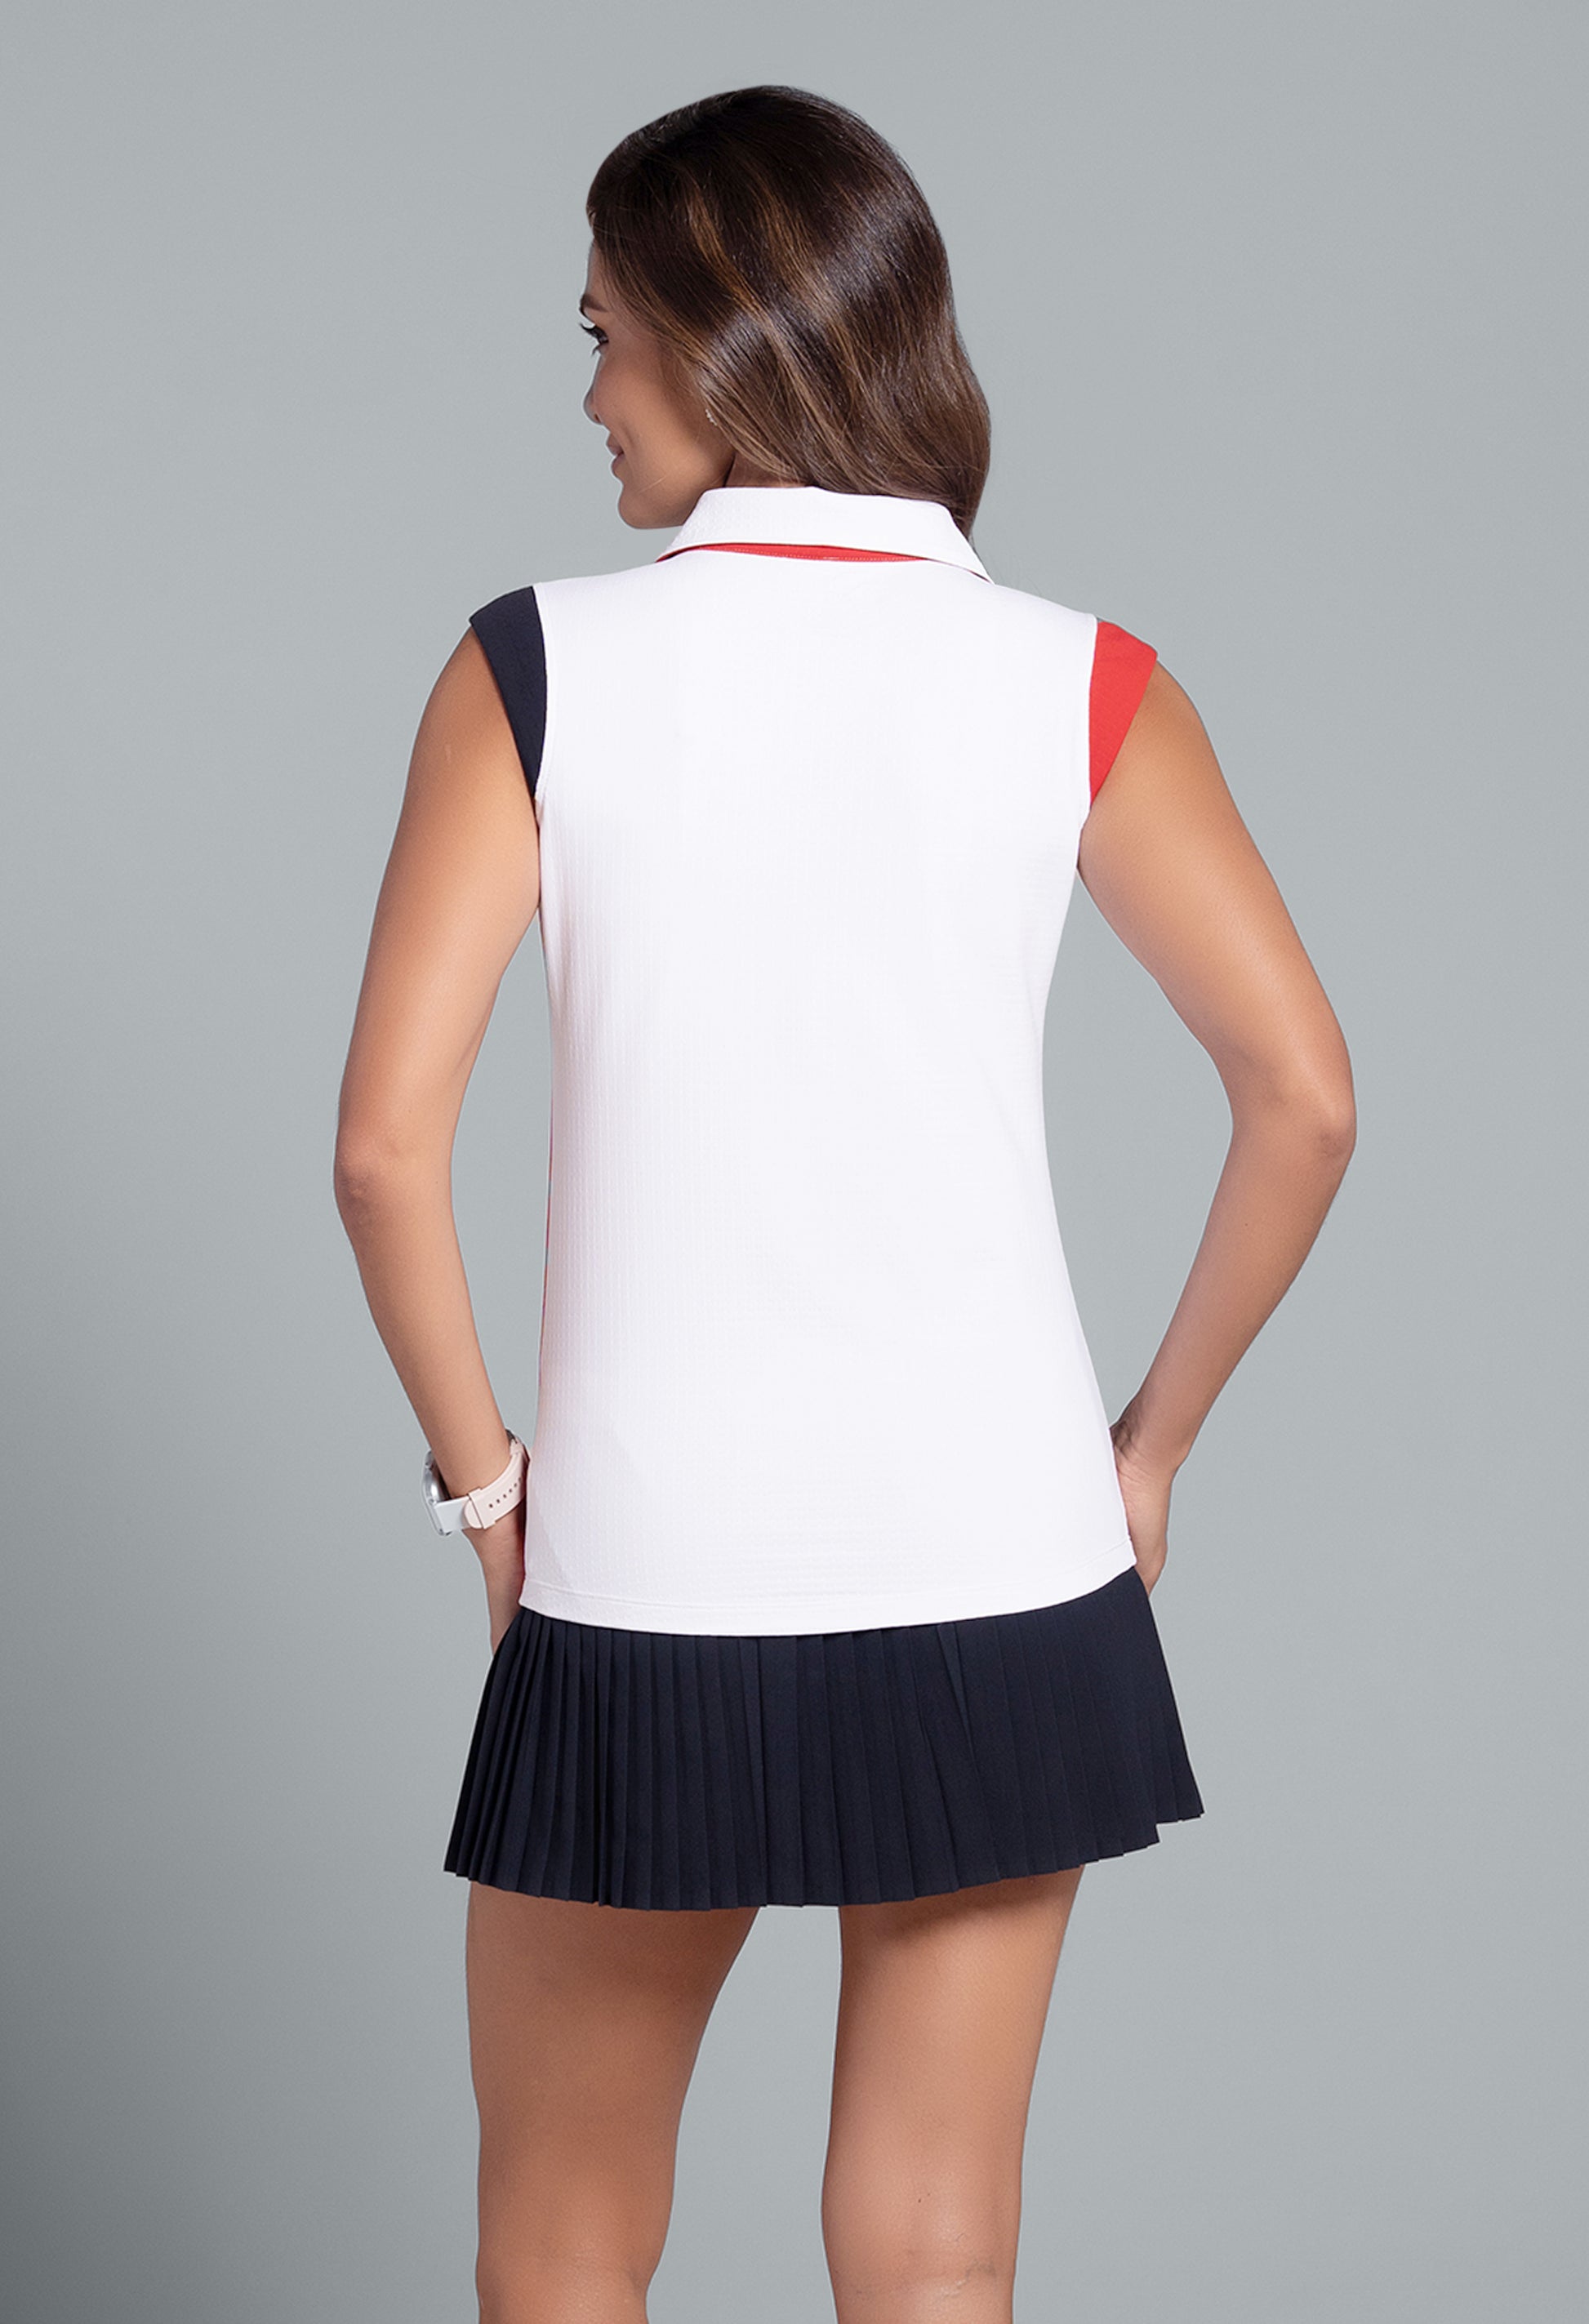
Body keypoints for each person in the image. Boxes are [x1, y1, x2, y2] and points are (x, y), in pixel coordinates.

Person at [334, 82, 1355, 2324]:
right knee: (936, 2248)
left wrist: (491, 1504)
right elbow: (1301, 1099)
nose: (590, 395)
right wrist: (1147, 1455)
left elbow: (383, 1150)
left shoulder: (534, 666)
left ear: (714, 332)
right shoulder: (1083, 680)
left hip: (643, 1567)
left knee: (563, 2241)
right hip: (1007, 1556)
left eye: (602, 334)